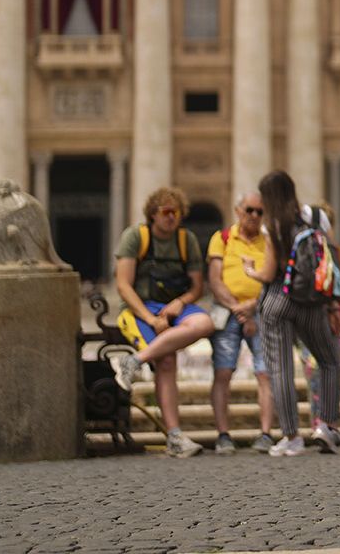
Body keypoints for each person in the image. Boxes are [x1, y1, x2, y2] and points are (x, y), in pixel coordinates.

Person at [107, 187, 215, 458]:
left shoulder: (185, 239)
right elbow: (123, 285)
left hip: (172, 307)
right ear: (153, 214)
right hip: (139, 309)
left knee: (205, 323)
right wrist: (149, 318)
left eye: (176, 213)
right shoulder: (135, 236)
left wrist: (180, 303)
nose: (172, 218)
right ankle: (175, 436)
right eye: (166, 212)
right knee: (166, 361)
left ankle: (134, 361)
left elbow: (197, 287)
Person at [246, 171, 340, 457]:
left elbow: (268, 272)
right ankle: (326, 426)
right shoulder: (316, 217)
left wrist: (250, 269)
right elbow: (329, 262)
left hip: (278, 300)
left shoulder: (272, 224)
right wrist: (333, 305)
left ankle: (291, 437)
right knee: (329, 361)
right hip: (312, 302)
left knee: (280, 370)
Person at [205, 191, 276, 454]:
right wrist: (239, 309)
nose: (255, 216)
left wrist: (252, 307)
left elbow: (273, 278)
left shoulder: (269, 241)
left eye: (260, 211)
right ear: (238, 211)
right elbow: (214, 280)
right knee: (223, 372)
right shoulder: (221, 238)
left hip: (261, 311)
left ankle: (266, 434)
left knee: (265, 373)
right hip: (229, 311)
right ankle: (223, 435)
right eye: (250, 210)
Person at [302, 204, 340, 440]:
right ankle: (320, 424)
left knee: (329, 367)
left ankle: (330, 423)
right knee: (313, 370)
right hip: (309, 323)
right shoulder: (303, 253)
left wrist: (332, 293)